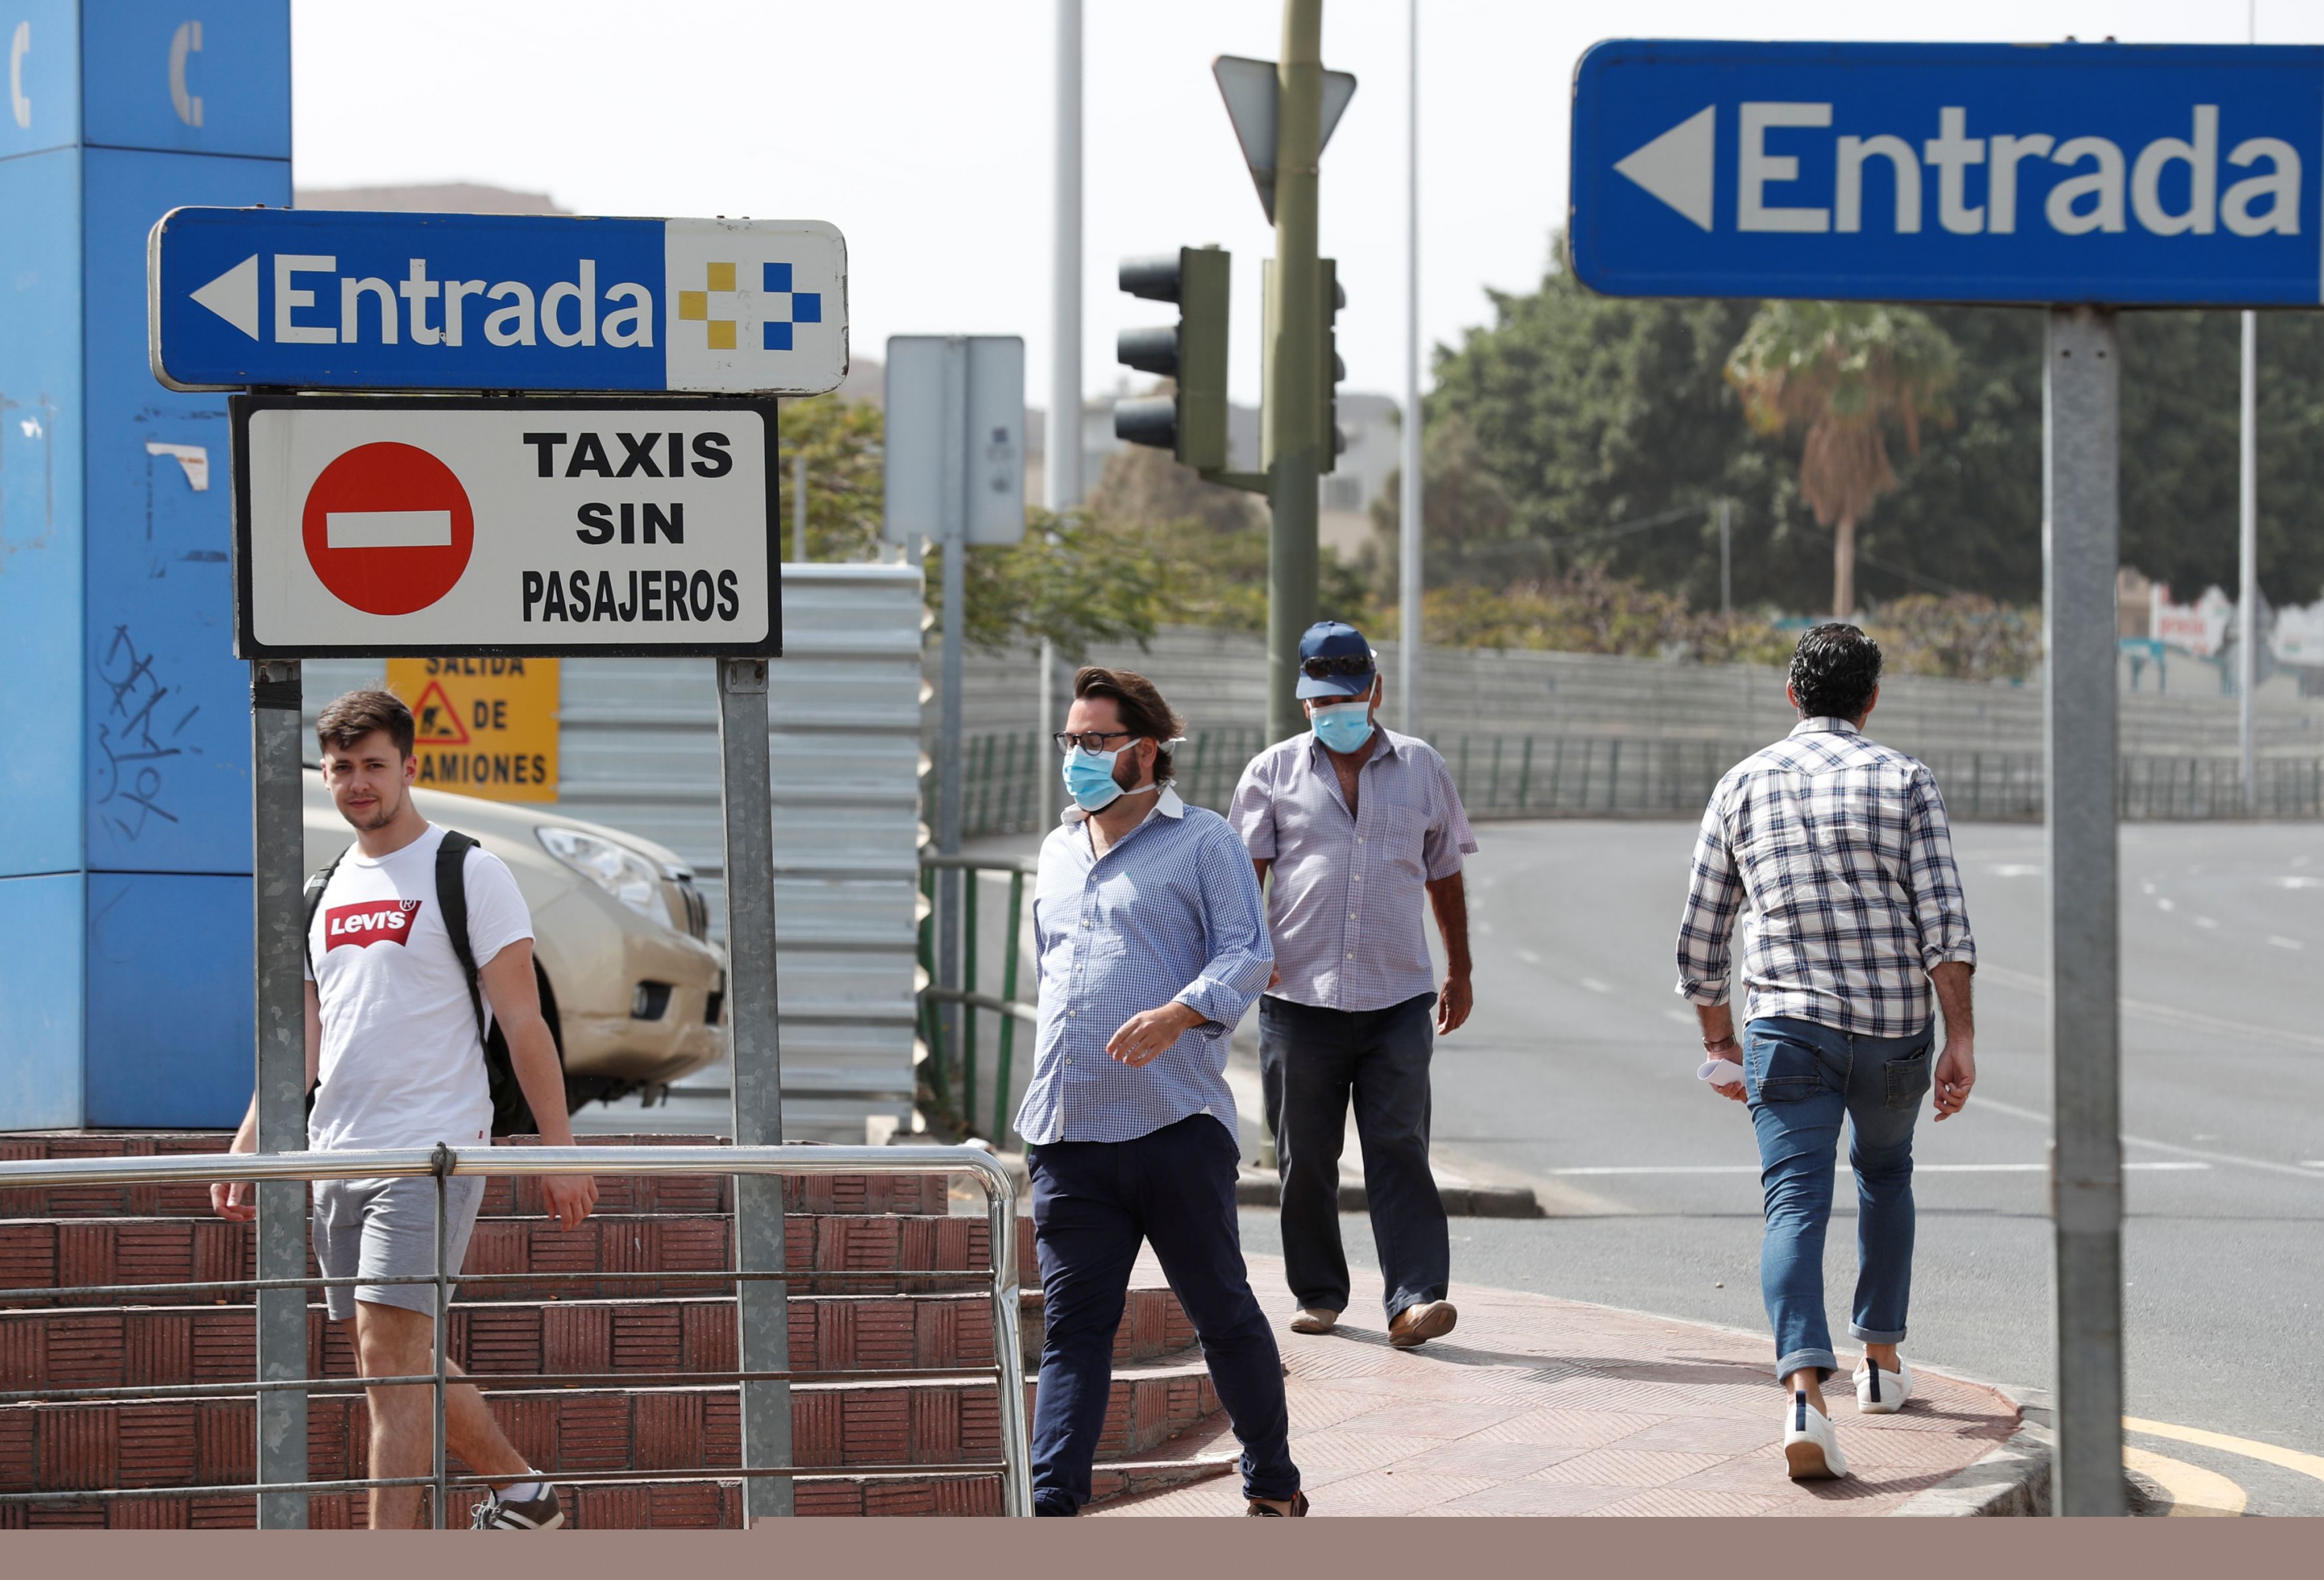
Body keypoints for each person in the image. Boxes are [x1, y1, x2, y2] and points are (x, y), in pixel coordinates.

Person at [213, 690, 599, 1530]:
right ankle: (525, 1492)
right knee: (388, 1356)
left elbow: (525, 1021)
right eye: (342, 766)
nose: (358, 782)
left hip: (430, 1154)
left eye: (374, 764)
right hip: (334, 1154)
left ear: (410, 766)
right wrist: (253, 1135)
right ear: (325, 772)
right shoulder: (320, 890)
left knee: (391, 1357)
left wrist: (559, 1148)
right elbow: (307, 1034)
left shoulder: (467, 870)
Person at [1672, 625, 1977, 1480]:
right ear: (1871, 698)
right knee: (1885, 1172)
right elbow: (1943, 921)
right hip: (1891, 1030)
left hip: (1786, 1028)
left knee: (1792, 1202)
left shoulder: (1742, 782)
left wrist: (1720, 1040)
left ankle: (1804, 1392)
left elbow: (1700, 938)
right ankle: (1879, 1360)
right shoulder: (1905, 779)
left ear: (1790, 695)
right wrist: (1961, 1034)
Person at [1014, 667, 1304, 1518]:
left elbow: (1247, 952)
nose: (1077, 756)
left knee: (1222, 1312)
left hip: (1175, 1127)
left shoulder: (1204, 840)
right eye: (1069, 740)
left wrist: (1177, 1013)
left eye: (1095, 741)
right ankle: (1053, 1509)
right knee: (1072, 1333)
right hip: (1068, 1136)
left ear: (1144, 750)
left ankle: (1272, 1481)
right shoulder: (1056, 849)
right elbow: (1052, 970)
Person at [1228, 621, 1477, 1349]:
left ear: (1374, 690)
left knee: (1399, 1146)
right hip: (1298, 998)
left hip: (1397, 995)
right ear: (1302, 700)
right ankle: (1319, 1293)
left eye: (1347, 694)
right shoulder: (1270, 773)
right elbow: (1244, 873)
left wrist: (1459, 967)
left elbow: (1445, 872)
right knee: (1304, 1156)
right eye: (1319, 699)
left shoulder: (1421, 767)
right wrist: (1249, 949)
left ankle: (1414, 1299)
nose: (1334, 709)